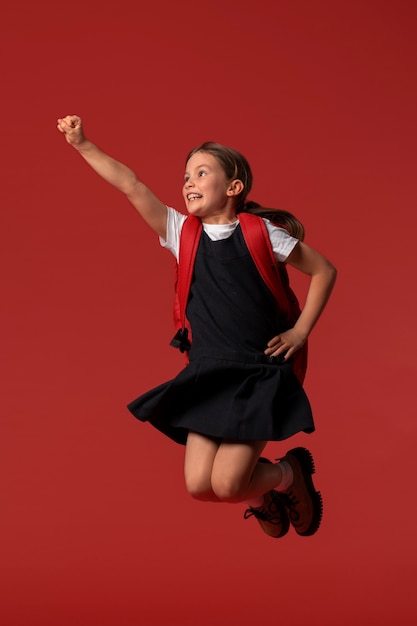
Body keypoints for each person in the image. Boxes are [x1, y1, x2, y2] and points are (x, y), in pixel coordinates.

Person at [57, 115, 337, 539]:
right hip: (208, 373)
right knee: (198, 487)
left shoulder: (263, 234)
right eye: (185, 175)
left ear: (234, 186)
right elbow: (131, 185)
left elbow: (324, 271)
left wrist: (300, 333)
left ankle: (286, 472)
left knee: (227, 484)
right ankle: (265, 495)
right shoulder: (181, 232)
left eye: (201, 173)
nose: (188, 182)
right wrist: (82, 144)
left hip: (259, 373)